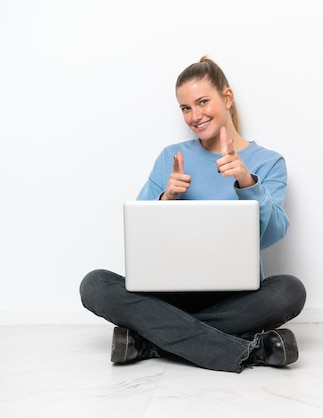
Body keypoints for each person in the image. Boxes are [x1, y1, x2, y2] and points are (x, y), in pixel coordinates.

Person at [79, 56, 306, 373]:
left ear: (226, 98)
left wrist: (247, 182)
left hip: (235, 296)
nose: (195, 116)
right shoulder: (171, 157)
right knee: (94, 284)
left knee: (289, 291)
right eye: (186, 108)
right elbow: (139, 236)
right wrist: (167, 197)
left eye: (202, 102)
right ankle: (250, 351)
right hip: (170, 294)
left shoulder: (268, 162)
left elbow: (272, 235)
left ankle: (149, 341)